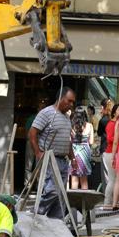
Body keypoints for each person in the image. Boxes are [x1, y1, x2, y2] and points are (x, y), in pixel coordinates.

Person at [29, 87, 77, 219]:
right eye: (69, 101)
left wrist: (73, 158)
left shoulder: (67, 117)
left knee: (60, 195)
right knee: (52, 190)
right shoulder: (47, 113)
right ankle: (36, 212)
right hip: (49, 159)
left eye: (73, 102)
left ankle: (55, 222)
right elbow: (32, 133)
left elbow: (67, 140)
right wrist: (38, 152)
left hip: (63, 160)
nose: (71, 105)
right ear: (61, 98)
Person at [24, 98, 48, 186]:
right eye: (41, 107)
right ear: (38, 109)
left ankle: (39, 186)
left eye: (44, 108)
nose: (42, 109)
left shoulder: (46, 120)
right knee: (29, 165)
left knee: (40, 165)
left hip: (41, 143)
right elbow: (27, 133)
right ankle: (27, 185)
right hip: (31, 142)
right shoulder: (31, 118)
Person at [102, 103, 119, 210]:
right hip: (111, 153)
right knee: (112, 179)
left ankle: (114, 202)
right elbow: (109, 138)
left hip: (116, 153)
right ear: (114, 112)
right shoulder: (111, 123)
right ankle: (107, 202)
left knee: (116, 179)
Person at [70, 107, 94, 189]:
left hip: (74, 153)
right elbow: (91, 142)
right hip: (85, 154)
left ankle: (74, 201)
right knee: (84, 180)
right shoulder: (89, 126)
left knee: (74, 178)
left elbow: (69, 141)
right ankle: (85, 201)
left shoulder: (72, 126)